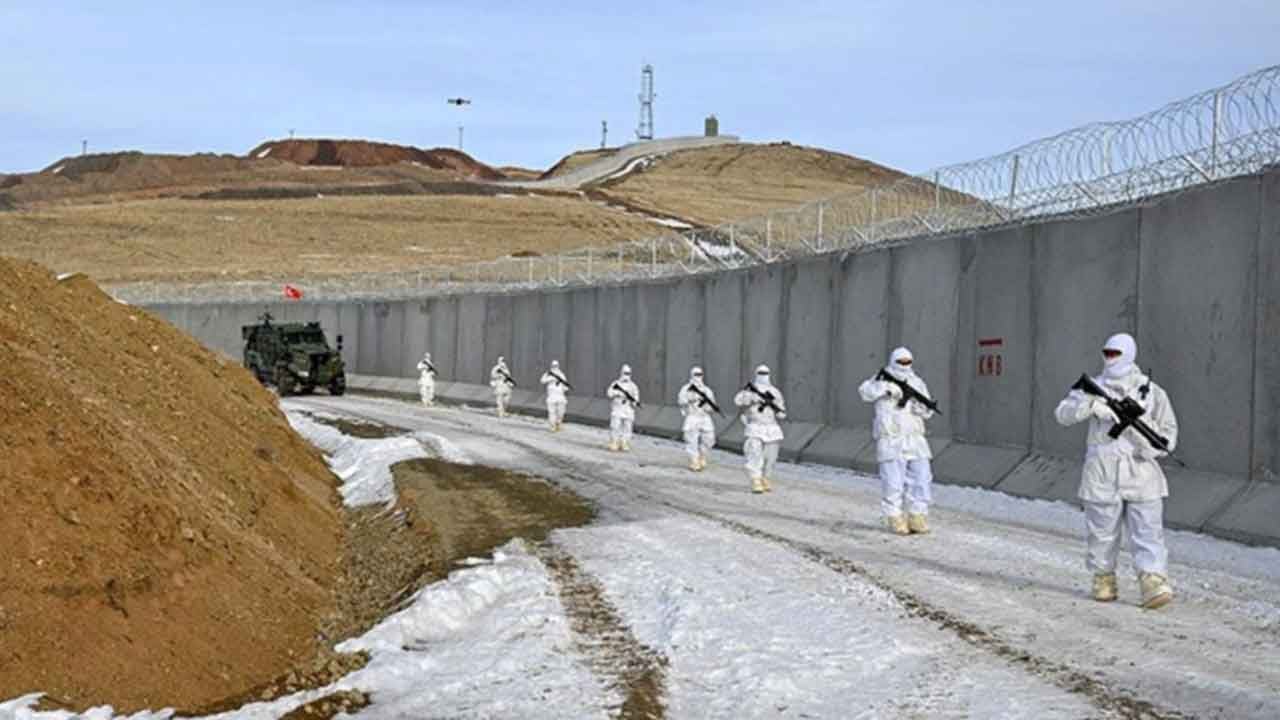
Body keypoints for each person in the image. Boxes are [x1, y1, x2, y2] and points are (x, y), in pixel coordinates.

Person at [1054, 332, 1178, 610]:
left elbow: (1168, 433)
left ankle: (1153, 579)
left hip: (1140, 469)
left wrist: (1149, 443)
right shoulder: (1091, 388)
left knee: (1147, 530)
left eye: (1115, 354)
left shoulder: (1151, 392)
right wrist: (1090, 406)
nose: (1110, 359)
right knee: (1102, 531)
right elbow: (1062, 414)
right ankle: (1103, 576)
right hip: (1103, 470)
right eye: (1107, 353)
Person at [859, 347, 937, 536]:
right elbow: (865, 392)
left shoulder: (916, 382)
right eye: (900, 361)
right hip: (891, 438)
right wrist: (886, 389)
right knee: (893, 481)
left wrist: (920, 406)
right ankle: (894, 516)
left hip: (914, 437)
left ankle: (917, 515)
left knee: (922, 477)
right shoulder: (880, 378)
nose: (904, 365)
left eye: (907, 361)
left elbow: (927, 411)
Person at [733, 365, 786, 494]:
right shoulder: (749, 390)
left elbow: (780, 408)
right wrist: (751, 398)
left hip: (771, 427)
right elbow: (738, 400)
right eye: (761, 373)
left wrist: (780, 412)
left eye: (765, 373)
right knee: (754, 453)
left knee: (770, 456)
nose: (763, 375)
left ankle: (766, 478)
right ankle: (756, 479)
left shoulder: (774, 391)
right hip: (755, 426)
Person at [677, 366, 718, 471]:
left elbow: (712, 404)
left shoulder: (707, 390)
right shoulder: (686, 389)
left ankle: (702, 455)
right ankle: (694, 460)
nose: (698, 377)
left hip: (704, 416)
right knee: (691, 439)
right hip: (692, 416)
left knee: (710, 439)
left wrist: (708, 405)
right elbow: (681, 401)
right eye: (696, 374)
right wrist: (691, 398)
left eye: (700, 374)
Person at [605, 364, 640, 451]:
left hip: (628, 409)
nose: (626, 375)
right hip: (618, 408)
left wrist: (633, 401)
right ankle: (614, 441)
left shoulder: (633, 386)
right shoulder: (616, 384)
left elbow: (636, 397)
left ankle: (624, 442)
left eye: (628, 373)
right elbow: (609, 393)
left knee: (627, 427)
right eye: (625, 373)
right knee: (615, 426)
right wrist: (617, 393)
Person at [540, 360, 571, 432]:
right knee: (552, 412)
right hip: (551, 396)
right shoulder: (548, 374)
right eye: (554, 366)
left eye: (556, 366)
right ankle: (552, 426)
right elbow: (542, 381)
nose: (555, 367)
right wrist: (551, 378)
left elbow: (565, 385)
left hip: (560, 396)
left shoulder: (561, 374)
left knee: (561, 412)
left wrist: (565, 388)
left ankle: (558, 423)